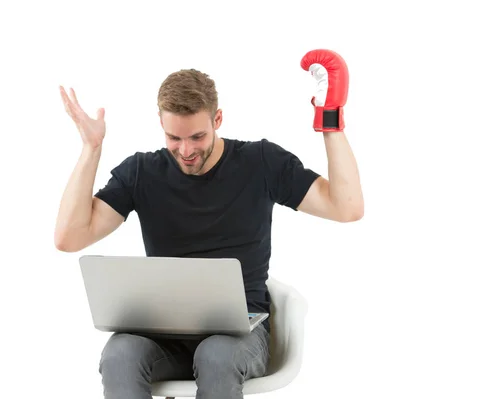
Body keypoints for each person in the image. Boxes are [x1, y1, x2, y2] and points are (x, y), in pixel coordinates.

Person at [54, 49, 363, 399]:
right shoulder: (141, 172)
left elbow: (347, 206)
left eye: (197, 137)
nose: (186, 150)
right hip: (164, 337)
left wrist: (330, 119)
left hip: (238, 340)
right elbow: (69, 237)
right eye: (175, 138)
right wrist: (90, 148)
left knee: (216, 353)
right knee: (119, 353)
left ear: (217, 120)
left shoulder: (261, 163)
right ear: (161, 124)